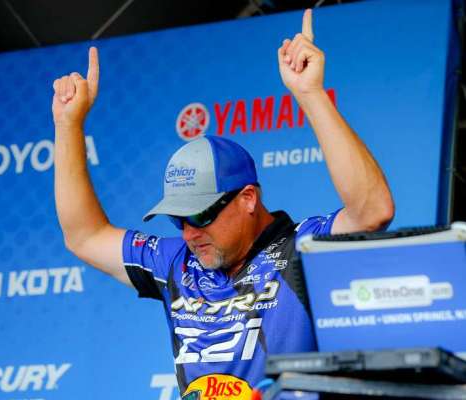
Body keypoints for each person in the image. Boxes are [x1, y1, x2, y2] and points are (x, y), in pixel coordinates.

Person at [52, 9, 394, 399]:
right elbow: (84, 235)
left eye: (200, 215)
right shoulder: (175, 262)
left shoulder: (301, 249)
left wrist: (310, 94)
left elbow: (373, 211)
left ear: (248, 198)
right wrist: (68, 125)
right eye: (178, 219)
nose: (189, 233)